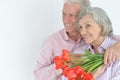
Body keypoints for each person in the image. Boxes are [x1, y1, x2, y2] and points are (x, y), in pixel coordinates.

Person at [34, 0, 120, 80]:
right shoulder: (54, 42)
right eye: (64, 14)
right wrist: (64, 64)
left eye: (71, 15)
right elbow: (38, 75)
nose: (66, 20)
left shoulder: (114, 47)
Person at [75, 7, 120, 80]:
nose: (82, 32)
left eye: (88, 25)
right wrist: (92, 76)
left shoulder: (117, 52)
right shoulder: (78, 53)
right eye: (81, 27)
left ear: (101, 26)